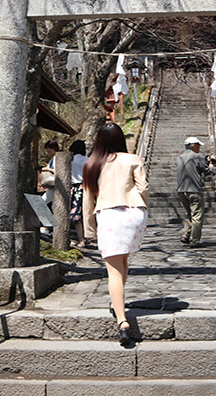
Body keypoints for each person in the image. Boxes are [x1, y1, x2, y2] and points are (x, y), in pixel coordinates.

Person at [82, 123, 148, 346]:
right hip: (133, 214)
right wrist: (142, 208)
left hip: (109, 215)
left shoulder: (92, 164)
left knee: (113, 270)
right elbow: (143, 188)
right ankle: (116, 301)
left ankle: (122, 321)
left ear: (99, 140)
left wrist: (89, 228)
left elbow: (87, 199)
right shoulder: (133, 159)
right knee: (123, 259)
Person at [175, 136, 216, 248]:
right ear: (194, 145)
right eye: (198, 145)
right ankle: (194, 240)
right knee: (197, 215)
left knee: (189, 213)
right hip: (194, 189)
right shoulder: (197, 157)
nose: (199, 148)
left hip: (181, 190)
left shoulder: (179, 157)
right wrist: (212, 165)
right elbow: (207, 171)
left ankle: (185, 235)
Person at [68, 140, 89, 248]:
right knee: (85, 213)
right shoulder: (88, 160)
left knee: (75, 214)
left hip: (73, 188)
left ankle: (81, 240)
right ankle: (86, 236)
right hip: (86, 188)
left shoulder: (70, 160)